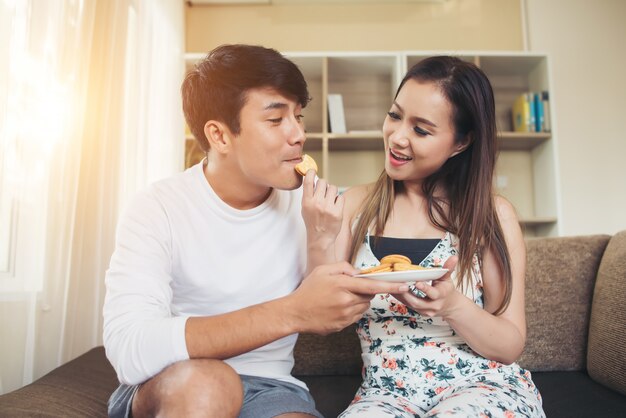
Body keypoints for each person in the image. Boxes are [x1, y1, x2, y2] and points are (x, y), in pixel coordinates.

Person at [102, 44, 409, 418]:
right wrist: (290, 312)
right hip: (176, 380)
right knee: (209, 387)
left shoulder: (311, 209)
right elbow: (130, 349)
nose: (298, 135)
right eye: (276, 120)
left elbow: (325, 315)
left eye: (298, 116)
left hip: (273, 388)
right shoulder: (158, 207)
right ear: (219, 136)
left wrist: (322, 239)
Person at [303, 56, 545, 417]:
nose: (397, 137)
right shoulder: (355, 205)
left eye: (421, 130)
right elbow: (322, 317)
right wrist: (318, 237)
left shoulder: (491, 216)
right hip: (385, 396)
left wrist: (453, 306)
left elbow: (509, 345)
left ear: (461, 142)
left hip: (481, 387)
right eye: (395, 115)